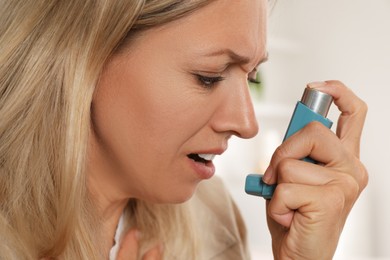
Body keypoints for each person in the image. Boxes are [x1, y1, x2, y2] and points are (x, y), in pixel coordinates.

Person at [0, 0, 368, 259]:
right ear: (85, 57)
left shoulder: (215, 217)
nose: (246, 124)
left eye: (251, 77)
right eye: (208, 77)